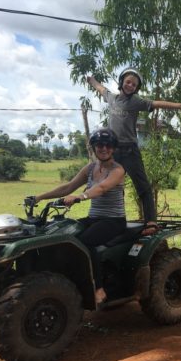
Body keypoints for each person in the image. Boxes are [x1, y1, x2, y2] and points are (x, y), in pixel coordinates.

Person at [87, 68, 181, 235]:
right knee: (114, 188)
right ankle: (115, 219)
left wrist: (179, 106)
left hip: (130, 151)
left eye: (134, 85)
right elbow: (101, 88)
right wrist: (91, 80)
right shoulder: (112, 98)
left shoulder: (135, 102)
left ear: (137, 88)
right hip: (112, 152)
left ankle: (151, 222)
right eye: (128, 82)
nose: (130, 86)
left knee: (142, 187)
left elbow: (156, 103)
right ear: (121, 82)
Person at [33, 128, 125, 304]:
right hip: (93, 219)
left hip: (113, 221)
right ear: (94, 147)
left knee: (84, 242)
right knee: (63, 235)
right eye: (99, 145)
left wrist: (80, 196)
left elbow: (102, 188)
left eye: (108, 145)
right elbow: (68, 187)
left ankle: (98, 288)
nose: (103, 148)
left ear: (113, 148)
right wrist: (39, 197)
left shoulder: (117, 170)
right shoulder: (90, 168)